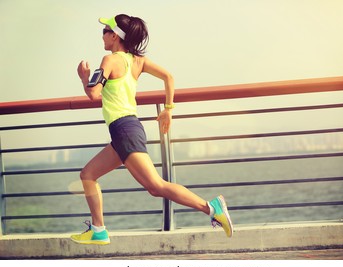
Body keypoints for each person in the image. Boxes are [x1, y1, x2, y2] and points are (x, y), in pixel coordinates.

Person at [71, 14, 233, 245]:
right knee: (88, 175)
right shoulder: (138, 61)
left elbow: (94, 94)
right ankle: (98, 230)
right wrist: (168, 108)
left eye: (104, 31)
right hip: (125, 130)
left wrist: (84, 77)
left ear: (114, 35)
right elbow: (169, 77)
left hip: (124, 130)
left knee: (156, 186)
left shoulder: (109, 60)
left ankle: (211, 208)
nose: (103, 36)